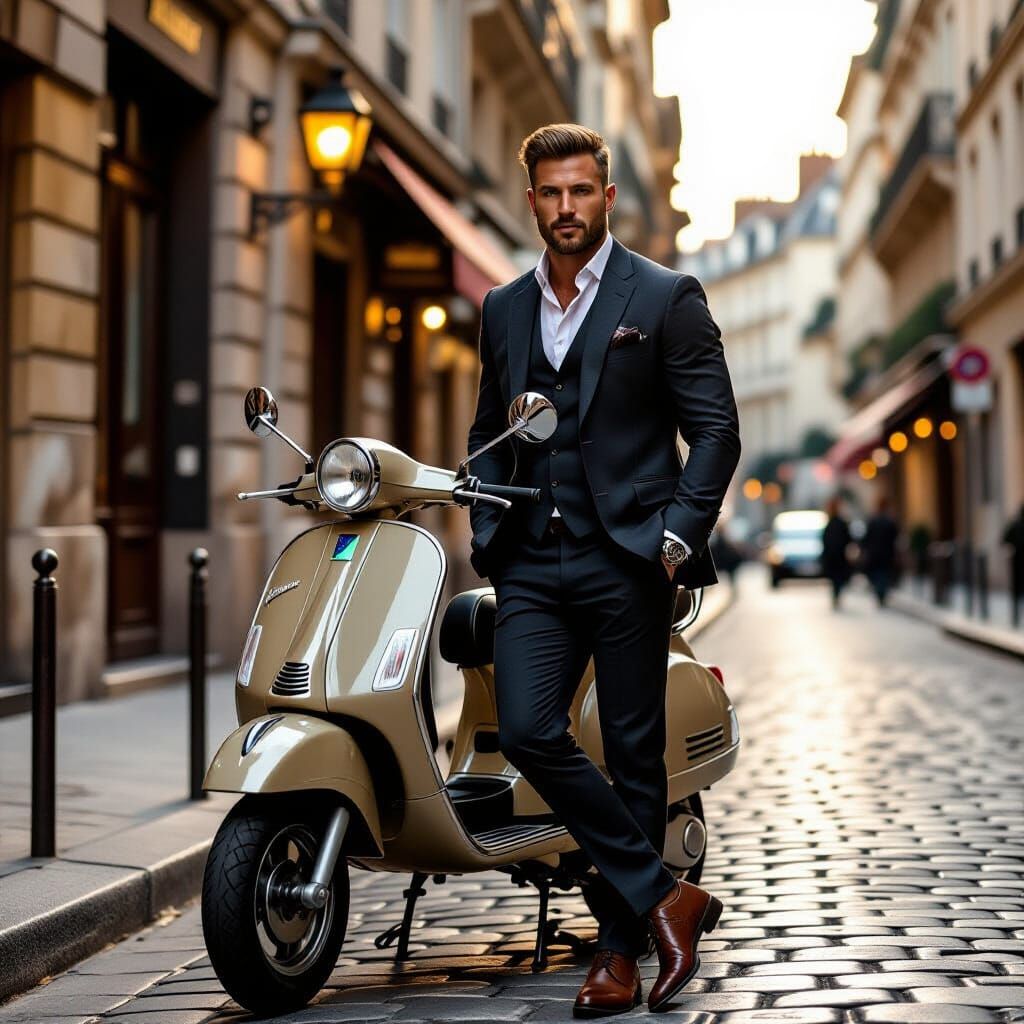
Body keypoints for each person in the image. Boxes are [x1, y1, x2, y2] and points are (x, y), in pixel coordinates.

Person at [465, 124, 741, 1017]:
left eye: (581, 192)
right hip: (533, 563)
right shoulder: (503, 307)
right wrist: (487, 520)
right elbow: (486, 430)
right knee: (531, 730)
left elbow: (717, 432)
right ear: (532, 198)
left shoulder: (665, 297)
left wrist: (673, 538)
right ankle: (669, 897)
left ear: (608, 196)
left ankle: (618, 954)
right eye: (550, 193)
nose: (566, 209)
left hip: (628, 559)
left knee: (631, 754)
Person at [861, 495, 901, 606]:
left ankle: (880, 593)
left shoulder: (873, 521)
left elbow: (866, 539)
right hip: (886, 554)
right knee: (883, 574)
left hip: (875, 554)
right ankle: (881, 593)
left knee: (878, 575)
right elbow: (895, 539)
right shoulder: (890, 521)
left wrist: (865, 551)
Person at [821, 496, 852, 611]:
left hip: (832, 557)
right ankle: (837, 595)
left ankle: (836, 595)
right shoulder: (841, 523)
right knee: (838, 578)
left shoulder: (829, 524)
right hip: (839, 556)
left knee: (835, 579)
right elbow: (849, 539)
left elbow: (824, 541)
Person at [1001, 503, 1024, 619]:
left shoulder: (1014, 524)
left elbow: (1004, 541)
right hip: (1017, 561)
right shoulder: (1015, 525)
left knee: (1016, 587)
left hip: (1016, 561)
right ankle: (1015, 614)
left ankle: (1015, 614)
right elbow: (1004, 540)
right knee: (1017, 587)